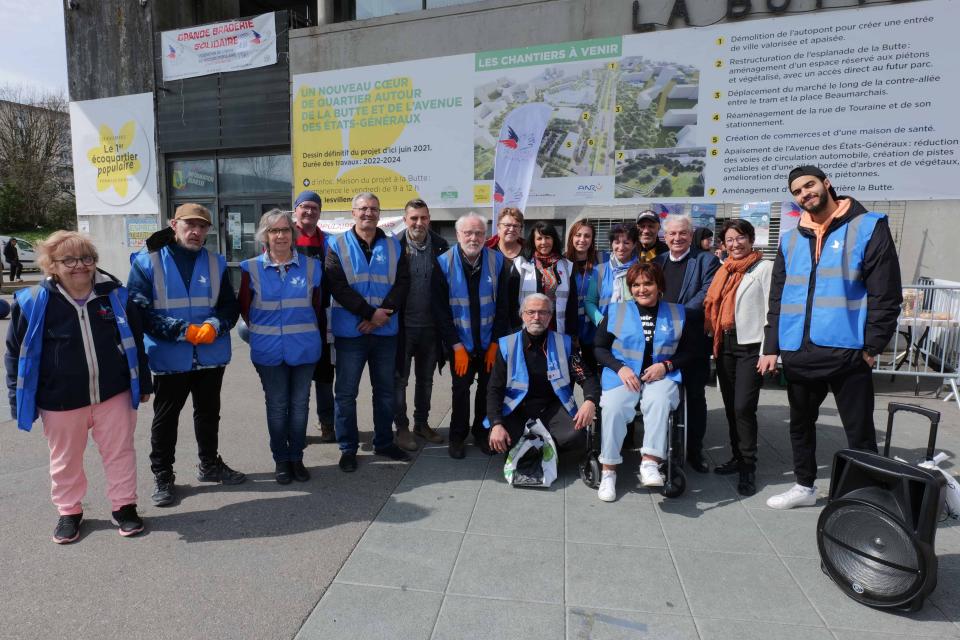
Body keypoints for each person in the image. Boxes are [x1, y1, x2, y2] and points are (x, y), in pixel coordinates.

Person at [759, 166, 902, 509]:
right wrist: (772, 346)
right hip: (799, 351)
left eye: (809, 185)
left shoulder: (868, 226)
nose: (804, 193)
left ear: (826, 184)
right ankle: (804, 486)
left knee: (859, 433)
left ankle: (864, 497)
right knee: (800, 426)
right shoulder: (791, 238)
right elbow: (777, 296)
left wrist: (872, 347)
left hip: (848, 352)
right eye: (797, 190)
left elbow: (886, 293)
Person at [5, 231, 153, 542]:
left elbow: (135, 343)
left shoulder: (116, 297)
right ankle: (69, 511)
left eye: (86, 258)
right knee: (65, 459)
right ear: (51, 265)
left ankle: (124, 507)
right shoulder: (31, 302)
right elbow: (16, 355)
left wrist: (145, 382)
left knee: (120, 453)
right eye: (69, 260)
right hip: (59, 400)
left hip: (114, 392)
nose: (80, 266)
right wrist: (17, 399)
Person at [128, 203, 244, 508]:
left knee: (208, 413)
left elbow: (230, 307)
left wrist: (215, 325)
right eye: (189, 225)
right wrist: (182, 331)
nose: (195, 231)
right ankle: (163, 474)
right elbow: (138, 310)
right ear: (173, 224)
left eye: (202, 227)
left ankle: (209, 464)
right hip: (170, 356)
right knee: (166, 418)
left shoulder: (216, 262)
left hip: (210, 353)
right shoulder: (147, 262)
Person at [593, 262, 697, 501]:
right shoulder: (616, 311)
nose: (641, 289)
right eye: (636, 285)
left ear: (659, 285)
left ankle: (650, 462)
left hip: (661, 375)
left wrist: (666, 365)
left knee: (658, 400)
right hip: (624, 375)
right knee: (614, 407)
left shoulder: (678, 313)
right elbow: (599, 348)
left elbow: (691, 351)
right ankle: (608, 471)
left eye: (647, 283)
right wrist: (620, 369)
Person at [325, 192, 411, 472]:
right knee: (346, 394)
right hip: (351, 334)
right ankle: (348, 448)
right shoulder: (336, 245)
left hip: (385, 332)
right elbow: (337, 286)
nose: (368, 214)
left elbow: (402, 284)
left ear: (379, 213)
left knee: (385, 392)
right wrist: (368, 313)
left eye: (373, 209)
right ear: (353, 213)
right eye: (363, 209)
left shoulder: (395, 246)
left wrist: (380, 315)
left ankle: (384, 442)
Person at [239, 210, 324, 484]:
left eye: (285, 230)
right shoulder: (249, 268)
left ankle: (297, 457)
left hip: (304, 349)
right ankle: (281, 460)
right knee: (277, 406)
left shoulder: (312, 267)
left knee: (299, 405)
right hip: (268, 351)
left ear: (293, 234)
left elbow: (318, 306)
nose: (280, 236)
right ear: (265, 236)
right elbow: (245, 309)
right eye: (274, 231)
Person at [703, 219, 772, 496]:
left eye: (740, 238)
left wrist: (771, 351)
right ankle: (736, 456)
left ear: (751, 239)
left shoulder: (765, 268)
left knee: (744, 407)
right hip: (725, 344)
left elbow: (772, 310)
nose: (735, 244)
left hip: (751, 345)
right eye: (729, 240)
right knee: (731, 406)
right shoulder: (724, 270)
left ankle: (748, 466)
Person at [486, 293, 598, 456]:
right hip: (517, 408)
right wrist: (496, 424)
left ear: (550, 316)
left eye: (543, 312)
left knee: (576, 437)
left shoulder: (564, 343)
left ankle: (536, 445)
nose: (536, 317)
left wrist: (590, 401)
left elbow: (587, 377)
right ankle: (543, 444)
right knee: (495, 440)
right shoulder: (507, 345)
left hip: (552, 408)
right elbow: (494, 389)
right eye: (531, 312)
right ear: (522, 315)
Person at [437, 212, 510, 459]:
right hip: (461, 345)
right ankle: (457, 437)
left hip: (489, 343)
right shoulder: (443, 262)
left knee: (488, 390)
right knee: (460, 391)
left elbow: (503, 308)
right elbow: (441, 311)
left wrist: (495, 344)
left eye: (479, 233)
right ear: (458, 235)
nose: (474, 237)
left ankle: (482, 433)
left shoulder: (498, 262)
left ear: (486, 236)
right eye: (468, 232)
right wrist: (455, 346)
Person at [653, 214, 720, 473]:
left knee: (694, 396)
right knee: (660, 395)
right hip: (662, 342)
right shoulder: (658, 262)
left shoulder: (706, 261)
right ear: (665, 237)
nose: (677, 238)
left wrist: (676, 315)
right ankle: (661, 447)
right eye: (672, 234)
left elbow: (706, 294)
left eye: (682, 233)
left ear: (690, 235)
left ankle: (694, 449)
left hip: (692, 340)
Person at [393, 198, 449, 451]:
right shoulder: (393, 246)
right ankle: (402, 427)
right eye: (413, 218)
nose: (419, 222)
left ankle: (421, 423)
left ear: (429, 219)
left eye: (423, 217)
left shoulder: (441, 245)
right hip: (402, 327)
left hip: (431, 328)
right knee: (399, 380)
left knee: (425, 380)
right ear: (405, 220)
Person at [293, 190, 336, 443]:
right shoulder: (284, 239)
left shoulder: (328, 242)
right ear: (295, 209)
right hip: (292, 320)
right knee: (296, 381)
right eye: (304, 207)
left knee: (323, 377)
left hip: (321, 320)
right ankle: (296, 427)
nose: (309, 211)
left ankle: (327, 423)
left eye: (314, 208)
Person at [511, 221, 578, 336]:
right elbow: (512, 303)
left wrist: (572, 334)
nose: (543, 242)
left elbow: (572, 305)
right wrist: (516, 329)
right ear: (533, 241)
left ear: (554, 240)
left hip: (557, 328)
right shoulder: (521, 264)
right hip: (528, 328)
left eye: (547, 237)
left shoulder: (566, 266)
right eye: (539, 238)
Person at [584, 223, 638, 333]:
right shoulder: (599, 270)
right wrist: (601, 321)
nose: (621, 247)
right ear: (611, 244)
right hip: (605, 331)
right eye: (617, 242)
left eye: (626, 242)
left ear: (634, 245)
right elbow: (589, 302)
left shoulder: (641, 270)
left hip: (634, 329)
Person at [565, 220, 601, 372]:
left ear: (592, 240)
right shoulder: (562, 262)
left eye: (587, 236)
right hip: (567, 328)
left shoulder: (601, 262)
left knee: (591, 377)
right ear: (571, 237)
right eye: (578, 235)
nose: (582, 240)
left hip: (593, 329)